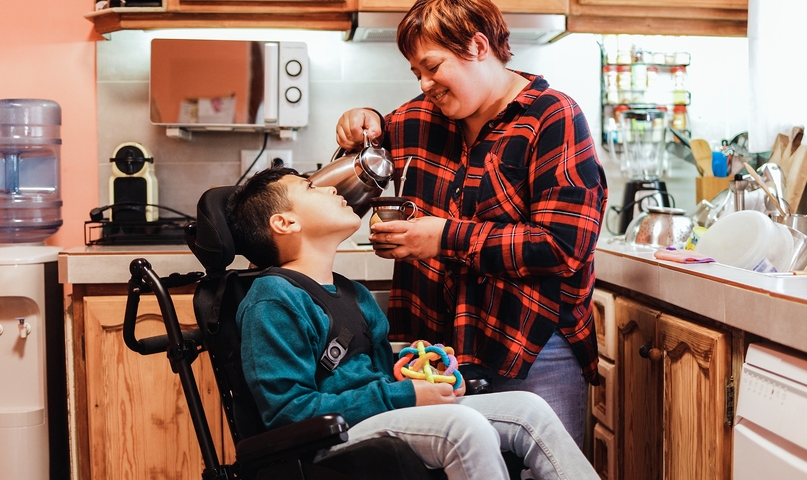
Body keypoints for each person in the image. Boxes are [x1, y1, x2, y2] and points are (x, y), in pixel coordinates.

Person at [334, 0, 607, 446]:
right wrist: (359, 125)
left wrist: (442, 237)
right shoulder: (416, 119)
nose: (425, 84)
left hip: (532, 348)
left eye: (432, 66)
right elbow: (340, 188)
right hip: (435, 359)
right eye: (415, 73)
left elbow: (563, 245)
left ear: (478, 46)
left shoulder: (552, 117)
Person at [225, 167, 599, 480]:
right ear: (284, 222)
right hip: (324, 441)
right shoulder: (273, 299)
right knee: (464, 429)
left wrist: (408, 374)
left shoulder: (353, 293)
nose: (329, 186)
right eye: (309, 186)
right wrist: (405, 395)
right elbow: (288, 413)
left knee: (529, 410)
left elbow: (376, 375)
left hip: (376, 417)